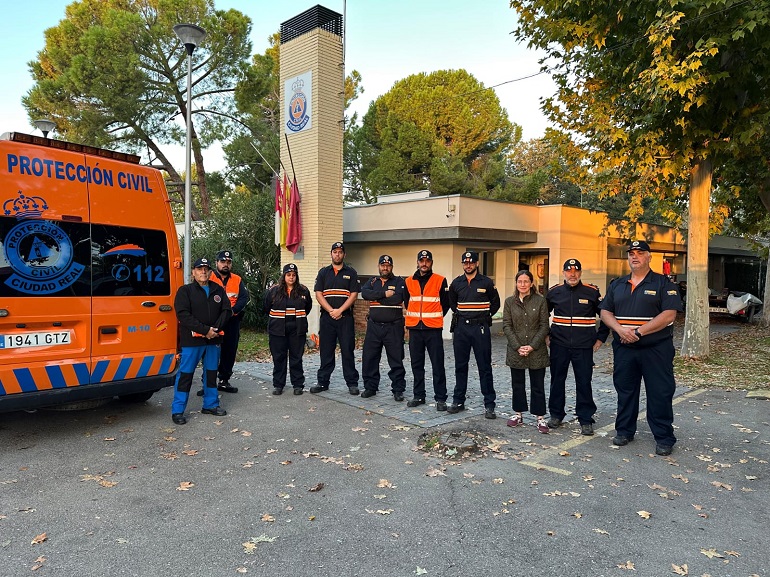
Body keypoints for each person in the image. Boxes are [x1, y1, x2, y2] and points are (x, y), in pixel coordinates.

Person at [600, 240, 682, 456]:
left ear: (649, 257)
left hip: (655, 349)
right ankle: (625, 431)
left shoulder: (664, 284)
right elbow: (605, 312)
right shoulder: (617, 284)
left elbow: (669, 315)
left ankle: (664, 437)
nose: (634, 256)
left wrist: (638, 332)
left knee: (660, 392)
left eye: (640, 253)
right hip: (625, 348)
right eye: (631, 253)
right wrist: (619, 330)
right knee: (625, 391)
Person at [546, 258, 609, 436]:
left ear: (580, 273)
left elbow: (606, 315)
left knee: (584, 382)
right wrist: (545, 336)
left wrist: (600, 339)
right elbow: (543, 315)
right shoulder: (554, 292)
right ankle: (556, 415)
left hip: (583, 347)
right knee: (557, 381)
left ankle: (586, 419)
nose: (572, 274)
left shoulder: (592, 292)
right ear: (563, 272)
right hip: (559, 345)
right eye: (568, 271)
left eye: (576, 271)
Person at [171, 258, 232, 425]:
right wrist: (205, 330)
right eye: (199, 269)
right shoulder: (185, 291)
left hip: (214, 340)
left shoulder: (218, 290)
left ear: (210, 272)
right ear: (193, 272)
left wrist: (215, 330)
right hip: (192, 341)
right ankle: (177, 410)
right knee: (186, 375)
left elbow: (227, 310)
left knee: (211, 373)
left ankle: (210, 405)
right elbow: (183, 315)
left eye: (206, 269)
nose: (203, 272)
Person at [448, 251, 501, 418]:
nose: (468, 265)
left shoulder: (486, 282)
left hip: (480, 328)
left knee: (484, 366)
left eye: (471, 262)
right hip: (462, 328)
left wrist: (484, 317)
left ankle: (489, 404)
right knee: (460, 366)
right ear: (463, 264)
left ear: (477, 263)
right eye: (465, 263)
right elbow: (452, 304)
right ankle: (458, 400)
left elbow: (496, 303)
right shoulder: (456, 283)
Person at [196, 250, 249, 396]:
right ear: (217, 263)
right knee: (210, 352)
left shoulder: (237, 279)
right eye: (223, 261)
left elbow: (244, 298)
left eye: (228, 262)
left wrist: (232, 311)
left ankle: (224, 381)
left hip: (231, 321)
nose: (226, 264)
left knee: (229, 351)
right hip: (213, 320)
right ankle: (207, 382)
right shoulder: (209, 277)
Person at [503, 270, 550, 433]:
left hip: (536, 350)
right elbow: (507, 326)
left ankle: (540, 417)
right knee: (517, 384)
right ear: (516, 283)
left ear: (531, 283)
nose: (522, 284)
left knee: (538, 385)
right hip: (516, 350)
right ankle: (518, 414)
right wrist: (518, 346)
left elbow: (544, 325)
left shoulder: (540, 301)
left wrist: (532, 346)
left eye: (526, 281)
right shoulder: (509, 302)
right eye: (520, 281)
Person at [311, 242, 361, 395]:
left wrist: (340, 310)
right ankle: (322, 382)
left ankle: (352, 383)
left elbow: (354, 294)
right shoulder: (323, 273)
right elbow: (318, 293)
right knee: (326, 351)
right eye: (335, 252)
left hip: (345, 318)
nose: (337, 254)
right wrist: (331, 310)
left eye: (340, 252)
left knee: (347, 350)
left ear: (344, 254)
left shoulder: (351, 273)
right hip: (327, 318)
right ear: (331, 254)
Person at [403, 249, 450, 410]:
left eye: (427, 261)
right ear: (417, 262)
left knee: (437, 365)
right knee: (417, 365)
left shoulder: (440, 280)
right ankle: (419, 395)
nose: (424, 264)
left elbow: (446, 303)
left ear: (431, 263)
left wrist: (433, 317)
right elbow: (407, 302)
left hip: (433, 330)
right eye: (421, 261)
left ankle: (441, 399)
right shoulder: (408, 281)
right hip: (415, 329)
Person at [360, 255, 408, 401]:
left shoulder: (400, 281)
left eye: (388, 265)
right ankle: (370, 387)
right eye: (382, 265)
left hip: (393, 327)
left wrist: (376, 297)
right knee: (370, 358)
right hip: (374, 327)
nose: (385, 268)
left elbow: (397, 298)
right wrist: (383, 294)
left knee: (396, 359)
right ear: (379, 266)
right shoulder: (372, 281)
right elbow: (365, 293)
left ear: (391, 267)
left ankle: (398, 389)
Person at [264, 263, 312, 395]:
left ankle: (298, 385)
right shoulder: (274, 290)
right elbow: (266, 307)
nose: (291, 278)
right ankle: (278, 385)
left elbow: (308, 308)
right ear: (284, 276)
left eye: (294, 275)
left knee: (296, 358)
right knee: (279, 357)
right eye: (288, 275)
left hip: (297, 329)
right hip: (278, 329)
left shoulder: (303, 291)